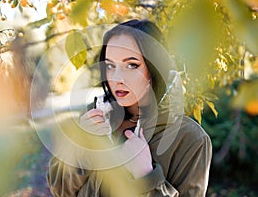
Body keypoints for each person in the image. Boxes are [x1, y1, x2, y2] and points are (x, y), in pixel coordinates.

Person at [47, 19, 212, 197]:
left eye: (131, 65)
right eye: (110, 66)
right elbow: (59, 189)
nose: (117, 78)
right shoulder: (95, 116)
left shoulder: (191, 139)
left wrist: (146, 177)